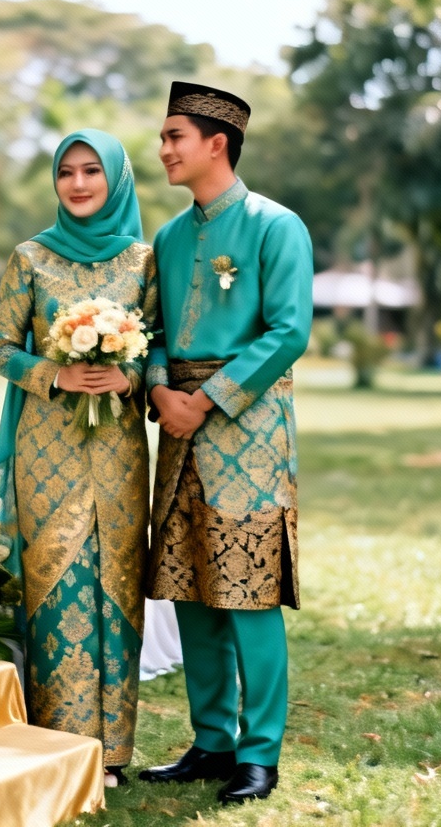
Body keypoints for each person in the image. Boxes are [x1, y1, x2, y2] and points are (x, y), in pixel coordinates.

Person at [138, 82, 313, 804]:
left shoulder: (278, 227)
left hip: (248, 433)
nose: (164, 149)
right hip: (177, 427)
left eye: (175, 135)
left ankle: (259, 752)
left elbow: (288, 331)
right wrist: (157, 391)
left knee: (248, 592)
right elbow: (148, 331)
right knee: (190, 590)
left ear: (218, 142)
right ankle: (212, 743)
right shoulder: (171, 239)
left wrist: (206, 400)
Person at [0, 129, 158, 788]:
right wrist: (54, 375)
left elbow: (159, 347)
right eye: (67, 172)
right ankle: (60, 744)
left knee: (116, 581)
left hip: (116, 445)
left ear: (115, 180)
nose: (79, 183)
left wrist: (132, 375)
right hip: (46, 446)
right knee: (54, 585)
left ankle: (113, 750)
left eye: (92, 172)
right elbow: (1, 347)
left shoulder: (143, 261)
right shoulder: (30, 257)